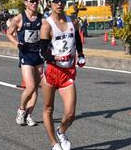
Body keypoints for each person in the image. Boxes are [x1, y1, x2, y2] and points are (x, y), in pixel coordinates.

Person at [40, 0, 86, 149]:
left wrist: (80, 54)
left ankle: (61, 131)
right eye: (55, 1)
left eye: (62, 0)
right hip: (52, 71)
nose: (59, 3)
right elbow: (43, 51)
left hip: (68, 72)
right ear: (49, 3)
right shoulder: (47, 24)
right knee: (48, 108)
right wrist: (55, 58)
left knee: (70, 113)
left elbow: (77, 39)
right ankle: (54, 144)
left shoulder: (72, 21)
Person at [7, 0, 44, 126]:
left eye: (37, 1)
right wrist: (17, 43)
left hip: (39, 56)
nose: (35, 3)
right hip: (26, 56)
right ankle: (21, 109)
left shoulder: (41, 18)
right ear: (25, 2)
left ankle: (29, 115)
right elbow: (9, 34)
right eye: (32, 1)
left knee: (36, 90)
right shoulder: (18, 19)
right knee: (30, 87)